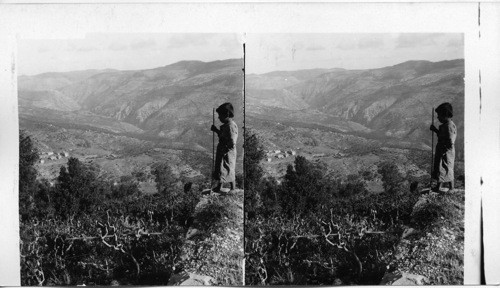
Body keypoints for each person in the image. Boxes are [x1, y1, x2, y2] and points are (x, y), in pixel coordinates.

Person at [211, 102, 238, 193]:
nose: (218, 117)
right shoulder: (227, 125)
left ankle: (233, 188)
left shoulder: (231, 127)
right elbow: (223, 136)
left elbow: (232, 142)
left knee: (229, 168)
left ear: (226, 114)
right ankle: (219, 186)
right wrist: (216, 130)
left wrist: (226, 149)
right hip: (222, 151)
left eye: (220, 115)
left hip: (228, 152)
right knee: (220, 168)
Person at [430, 102, 457, 193]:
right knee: (439, 168)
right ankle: (438, 186)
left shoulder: (449, 126)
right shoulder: (446, 125)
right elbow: (442, 135)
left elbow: (450, 140)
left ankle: (452, 188)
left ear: (445, 115)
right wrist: (435, 130)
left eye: (439, 115)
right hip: (442, 150)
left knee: (448, 168)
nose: (437, 117)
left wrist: (446, 148)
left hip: (446, 151)